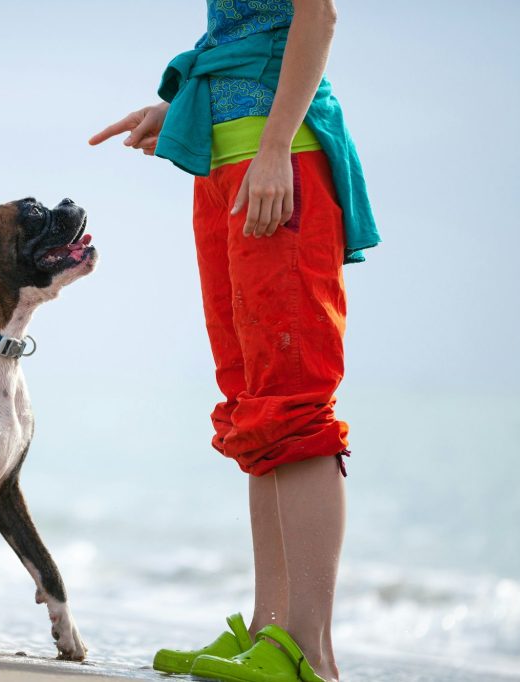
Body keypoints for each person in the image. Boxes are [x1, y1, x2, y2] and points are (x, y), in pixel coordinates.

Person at [89, 2, 379, 681]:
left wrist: (275, 145)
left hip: (282, 162)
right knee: (253, 401)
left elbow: (318, 14)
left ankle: (309, 653)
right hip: (226, 163)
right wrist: (190, 106)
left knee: (295, 401)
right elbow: (242, 33)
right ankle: (267, 632)